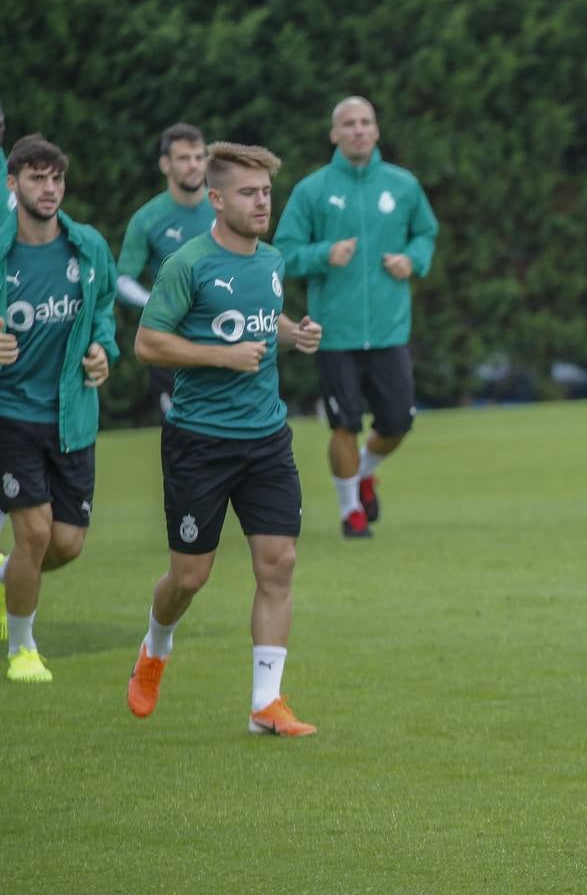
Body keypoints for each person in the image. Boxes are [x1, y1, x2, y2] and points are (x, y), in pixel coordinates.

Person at [125, 141, 323, 736]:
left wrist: (294, 334)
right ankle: (155, 646)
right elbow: (148, 343)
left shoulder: (271, 261)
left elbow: (265, 320)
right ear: (216, 199)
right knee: (189, 576)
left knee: (279, 562)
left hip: (266, 438)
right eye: (249, 193)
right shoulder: (187, 264)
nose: (262, 202)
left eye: (266, 192)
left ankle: (266, 701)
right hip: (200, 442)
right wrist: (221, 356)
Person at [275, 96, 438, 538]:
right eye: (349, 124)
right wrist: (324, 254)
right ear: (334, 134)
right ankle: (351, 512)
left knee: (398, 423)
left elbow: (426, 233)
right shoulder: (312, 190)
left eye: (366, 122)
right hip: (334, 333)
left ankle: (363, 472)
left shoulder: (403, 185)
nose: (359, 130)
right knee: (344, 422)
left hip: (389, 329)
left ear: (377, 131)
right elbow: (284, 253)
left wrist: (414, 259)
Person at [0, 134, 118, 682]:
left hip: (74, 416)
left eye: (56, 179)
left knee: (66, 545)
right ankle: (22, 647)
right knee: (36, 534)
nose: (49, 190)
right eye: (36, 178)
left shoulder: (88, 245)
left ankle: (8, 578)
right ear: (12, 183)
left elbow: (104, 311)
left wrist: (103, 352)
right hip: (12, 414)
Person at [116, 123, 216, 418]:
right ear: (165, 164)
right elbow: (122, 279)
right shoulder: (147, 218)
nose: (194, 165)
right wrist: (157, 304)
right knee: (181, 435)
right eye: (184, 158)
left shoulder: (226, 209)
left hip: (223, 335)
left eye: (199, 157)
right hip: (170, 345)